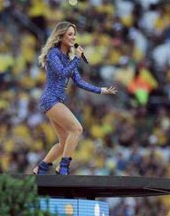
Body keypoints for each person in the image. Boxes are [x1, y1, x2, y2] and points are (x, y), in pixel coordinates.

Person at [33, 21, 117, 175]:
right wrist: (77, 59)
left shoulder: (68, 57)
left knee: (64, 141)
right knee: (77, 129)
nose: (73, 37)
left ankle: (41, 168)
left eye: (74, 34)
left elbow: (79, 82)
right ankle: (63, 167)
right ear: (61, 36)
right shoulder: (53, 54)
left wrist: (100, 90)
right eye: (70, 34)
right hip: (51, 99)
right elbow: (63, 73)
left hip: (56, 100)